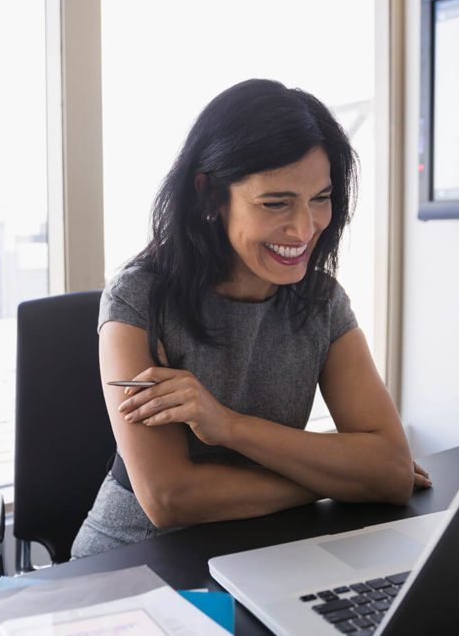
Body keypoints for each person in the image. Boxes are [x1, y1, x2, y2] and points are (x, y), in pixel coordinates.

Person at [71, 79, 429, 559]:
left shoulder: (322, 301)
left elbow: (387, 468)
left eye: (320, 198)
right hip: (135, 560)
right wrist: (337, 479)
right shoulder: (138, 298)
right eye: (275, 202)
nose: (304, 229)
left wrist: (229, 426)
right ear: (210, 196)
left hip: (266, 552)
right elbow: (169, 499)